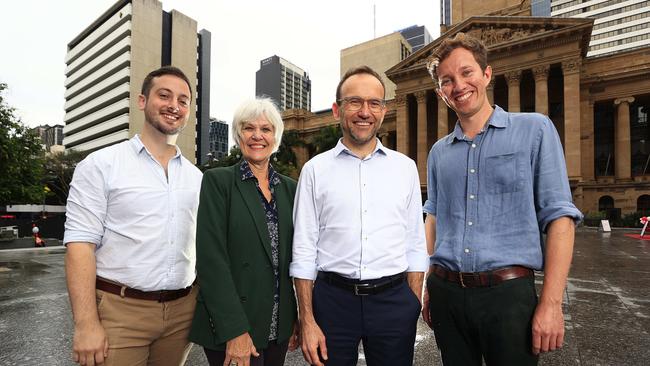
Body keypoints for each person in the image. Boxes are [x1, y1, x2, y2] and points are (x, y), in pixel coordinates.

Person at [422, 32, 583, 365]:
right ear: (441, 92)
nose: (458, 85)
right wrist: (427, 285)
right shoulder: (438, 153)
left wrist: (551, 304)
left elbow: (560, 218)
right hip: (446, 293)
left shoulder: (535, 130)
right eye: (447, 80)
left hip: (508, 296)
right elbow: (434, 218)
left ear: (486, 74)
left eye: (466, 73)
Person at [64, 66, 203, 366]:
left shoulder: (197, 177)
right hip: (120, 312)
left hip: (181, 315)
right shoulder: (101, 165)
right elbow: (79, 244)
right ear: (142, 101)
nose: (173, 106)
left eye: (182, 100)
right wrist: (86, 324)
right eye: (164, 96)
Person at [290, 66, 429, 366]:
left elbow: (415, 243)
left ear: (383, 111)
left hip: (393, 301)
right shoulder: (314, 170)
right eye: (354, 102)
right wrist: (307, 319)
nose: (364, 111)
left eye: (374, 103)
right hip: (332, 301)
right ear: (337, 109)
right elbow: (303, 248)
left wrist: (412, 303)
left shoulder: (404, 168)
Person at [189, 98, 299, 366]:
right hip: (233, 324)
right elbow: (211, 261)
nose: (257, 136)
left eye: (266, 129)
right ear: (238, 136)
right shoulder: (219, 181)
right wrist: (235, 331)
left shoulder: (291, 189)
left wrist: (295, 318)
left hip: (278, 324)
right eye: (249, 128)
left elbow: (297, 259)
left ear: (276, 137)